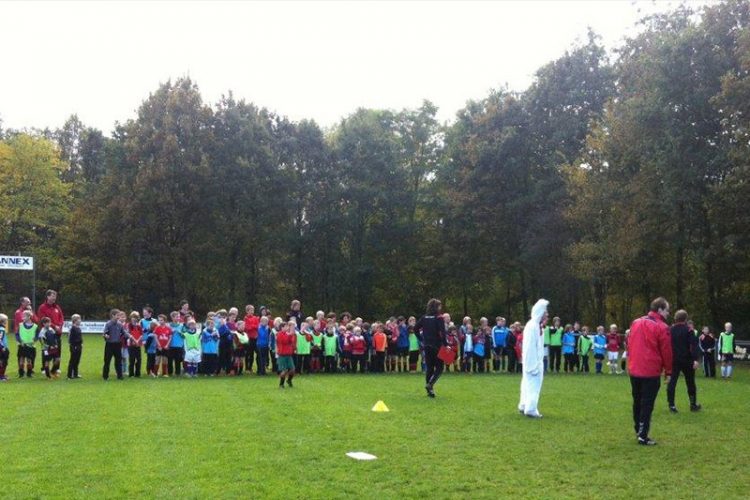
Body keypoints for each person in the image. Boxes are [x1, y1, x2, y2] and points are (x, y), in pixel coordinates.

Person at [628, 297, 673, 446]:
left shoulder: (636, 322)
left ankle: (638, 430)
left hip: (635, 369)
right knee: (647, 404)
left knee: (637, 401)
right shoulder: (662, 327)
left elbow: (630, 344)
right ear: (660, 309)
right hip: (650, 371)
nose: (668, 313)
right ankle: (642, 434)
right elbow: (666, 351)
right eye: (667, 310)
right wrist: (669, 371)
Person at [518, 299, 549, 418]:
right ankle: (530, 408)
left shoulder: (536, 326)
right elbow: (530, 347)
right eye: (545, 312)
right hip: (533, 362)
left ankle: (524, 404)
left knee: (527, 383)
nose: (547, 314)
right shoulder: (533, 327)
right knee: (533, 385)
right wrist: (533, 366)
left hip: (534, 361)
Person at [666, 310, 701, 413]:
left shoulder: (670, 330)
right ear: (685, 319)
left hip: (674, 360)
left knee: (672, 383)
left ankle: (671, 405)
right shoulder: (689, 330)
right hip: (687, 360)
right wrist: (695, 359)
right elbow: (693, 345)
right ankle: (693, 404)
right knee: (690, 383)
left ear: (675, 318)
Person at [415, 298, 447, 398]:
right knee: (440, 368)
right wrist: (446, 345)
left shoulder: (424, 317)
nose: (441, 308)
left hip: (427, 346)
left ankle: (430, 392)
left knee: (429, 368)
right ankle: (430, 384)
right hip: (437, 346)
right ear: (436, 307)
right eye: (440, 306)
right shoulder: (439, 317)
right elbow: (442, 332)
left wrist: (421, 339)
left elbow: (415, 328)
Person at [102, 309, 135, 380]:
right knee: (107, 361)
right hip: (109, 344)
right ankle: (105, 376)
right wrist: (106, 336)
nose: (119, 317)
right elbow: (105, 333)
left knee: (118, 361)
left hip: (118, 344)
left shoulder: (120, 324)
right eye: (117, 315)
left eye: (119, 315)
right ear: (113, 315)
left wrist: (130, 336)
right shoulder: (108, 324)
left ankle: (120, 376)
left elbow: (124, 332)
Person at [37, 290, 64, 374]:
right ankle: (44, 368)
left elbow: (61, 317)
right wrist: (54, 326)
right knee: (46, 350)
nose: (54, 298)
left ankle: (56, 368)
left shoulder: (57, 307)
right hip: (47, 333)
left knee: (57, 349)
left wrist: (59, 326)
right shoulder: (42, 307)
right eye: (52, 296)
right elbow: (42, 319)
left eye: (55, 296)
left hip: (57, 332)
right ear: (48, 297)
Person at [17, 310, 38, 378]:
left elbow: (37, 336)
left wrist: (34, 341)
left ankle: (29, 374)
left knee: (29, 360)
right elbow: (17, 334)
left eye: (24, 316)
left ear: (29, 317)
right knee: (21, 359)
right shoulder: (20, 325)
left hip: (31, 346)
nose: (22, 317)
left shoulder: (35, 326)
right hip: (22, 345)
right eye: (22, 316)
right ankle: (21, 374)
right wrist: (20, 341)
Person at [276, 320, 297, 388]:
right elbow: (284, 341)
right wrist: (290, 334)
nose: (287, 328)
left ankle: (289, 380)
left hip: (289, 355)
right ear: (282, 327)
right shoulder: (279, 334)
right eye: (286, 326)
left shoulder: (288, 334)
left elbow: (291, 341)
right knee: (284, 371)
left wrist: (291, 334)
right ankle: (281, 384)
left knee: (292, 370)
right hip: (282, 355)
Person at [167, 311, 185, 376]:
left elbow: (185, 336)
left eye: (179, 317)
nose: (178, 318)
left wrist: (180, 333)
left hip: (179, 346)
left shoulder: (182, 325)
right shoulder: (169, 326)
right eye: (177, 317)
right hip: (171, 345)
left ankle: (177, 373)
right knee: (170, 360)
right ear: (172, 317)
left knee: (178, 360)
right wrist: (171, 332)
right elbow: (166, 335)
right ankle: (170, 373)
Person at [126, 311, 143, 377]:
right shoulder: (129, 325)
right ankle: (131, 374)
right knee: (132, 359)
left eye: (136, 317)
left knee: (139, 359)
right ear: (131, 318)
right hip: (131, 344)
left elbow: (141, 334)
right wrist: (134, 341)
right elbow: (129, 334)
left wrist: (137, 341)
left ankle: (138, 374)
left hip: (138, 345)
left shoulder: (139, 326)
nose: (134, 319)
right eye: (133, 317)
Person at [67, 314, 83, 379]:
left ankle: (76, 374)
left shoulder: (78, 328)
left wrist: (81, 343)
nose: (80, 321)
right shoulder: (72, 328)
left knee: (77, 361)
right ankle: (69, 375)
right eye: (79, 319)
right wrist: (73, 345)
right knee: (72, 360)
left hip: (79, 346)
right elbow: (69, 338)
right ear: (75, 320)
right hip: (74, 346)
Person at [0, 314, 9, 381]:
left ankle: (2, 375)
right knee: (3, 362)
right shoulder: (2, 329)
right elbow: (0, 339)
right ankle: (1, 376)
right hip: (2, 348)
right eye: (6, 320)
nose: (7, 322)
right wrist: (2, 347)